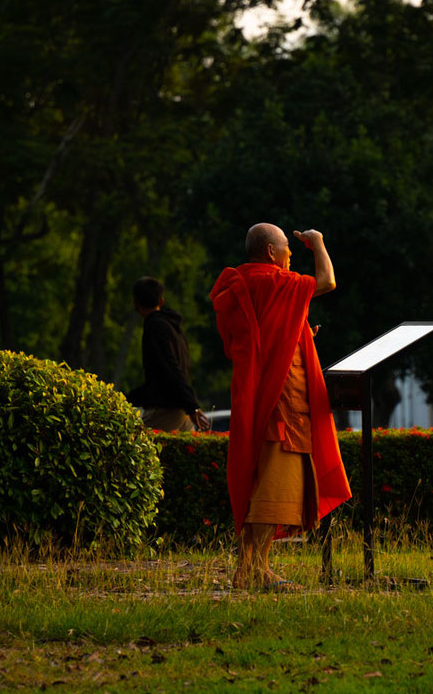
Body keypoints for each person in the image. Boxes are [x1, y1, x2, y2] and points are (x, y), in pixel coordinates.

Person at [209, 224, 351, 589]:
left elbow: (264, 335)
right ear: (271, 253)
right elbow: (327, 281)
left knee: (263, 477)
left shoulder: (241, 282)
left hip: (254, 391)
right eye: (288, 248)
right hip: (280, 399)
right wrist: (318, 242)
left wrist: (297, 333)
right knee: (272, 483)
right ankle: (250, 569)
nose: (291, 254)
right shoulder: (275, 281)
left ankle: (256, 567)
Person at [127, 277, 209, 432]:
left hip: (166, 409)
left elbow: (169, 369)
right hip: (180, 407)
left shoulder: (155, 326)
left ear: (136, 303)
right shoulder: (173, 328)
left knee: (134, 449)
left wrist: (192, 406)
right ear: (161, 301)